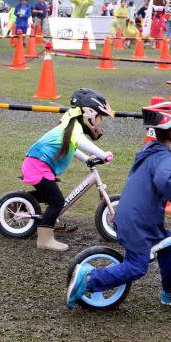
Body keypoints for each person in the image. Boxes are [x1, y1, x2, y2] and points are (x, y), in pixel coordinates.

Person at [67, 101, 171, 309]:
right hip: (138, 224)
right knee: (137, 267)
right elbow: (166, 182)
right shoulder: (163, 159)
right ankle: (88, 280)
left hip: (139, 219)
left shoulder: (152, 151)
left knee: (168, 244)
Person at [22, 89, 114, 252]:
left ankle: (21, 204)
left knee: (51, 196)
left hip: (38, 165)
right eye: (100, 118)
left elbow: (73, 147)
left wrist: (88, 159)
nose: (100, 123)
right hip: (37, 166)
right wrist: (102, 155)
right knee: (57, 201)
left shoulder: (71, 126)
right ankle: (44, 239)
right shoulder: (73, 128)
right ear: (89, 114)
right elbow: (81, 142)